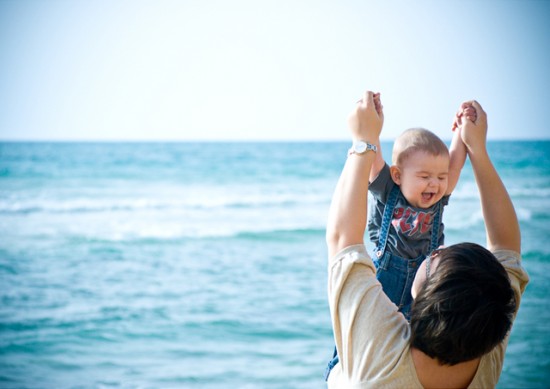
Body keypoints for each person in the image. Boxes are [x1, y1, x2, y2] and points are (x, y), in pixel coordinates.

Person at [325, 91, 529, 387]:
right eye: (425, 176)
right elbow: (508, 247)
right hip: (391, 274)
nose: (435, 183)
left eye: (440, 177)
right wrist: (471, 142)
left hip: (414, 292)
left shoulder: (376, 367)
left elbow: (343, 240)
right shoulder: (487, 341)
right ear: (398, 175)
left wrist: (364, 137)